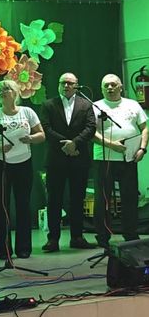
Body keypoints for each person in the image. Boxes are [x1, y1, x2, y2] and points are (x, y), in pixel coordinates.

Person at [0, 80, 45, 260]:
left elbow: (41, 135)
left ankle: (24, 248)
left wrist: (31, 138)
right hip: (0, 164)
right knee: (2, 205)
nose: (2, 92)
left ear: (16, 92)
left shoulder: (27, 112)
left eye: (6, 89)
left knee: (23, 204)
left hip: (24, 162)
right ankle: (4, 249)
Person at [40, 73, 97, 252]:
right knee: (54, 200)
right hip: (56, 159)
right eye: (63, 82)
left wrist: (75, 143)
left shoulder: (86, 104)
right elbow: (46, 128)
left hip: (79, 158)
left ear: (77, 86)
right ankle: (53, 239)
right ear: (58, 85)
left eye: (70, 83)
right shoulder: (48, 104)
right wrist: (66, 144)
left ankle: (77, 237)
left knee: (77, 199)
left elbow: (91, 127)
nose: (66, 85)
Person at [92, 74, 148, 247]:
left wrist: (142, 148)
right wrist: (111, 145)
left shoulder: (132, 104)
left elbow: (144, 127)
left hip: (129, 158)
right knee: (103, 199)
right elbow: (91, 133)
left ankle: (131, 235)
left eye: (113, 84)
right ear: (102, 89)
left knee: (130, 197)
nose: (110, 88)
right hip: (104, 158)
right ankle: (103, 236)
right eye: (106, 85)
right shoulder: (95, 106)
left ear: (121, 86)